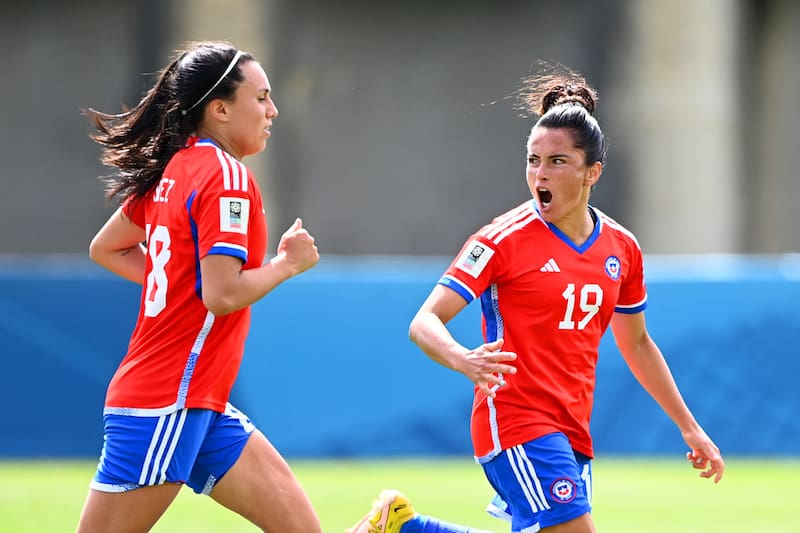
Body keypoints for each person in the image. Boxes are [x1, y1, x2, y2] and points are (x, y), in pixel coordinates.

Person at [348, 64, 725, 533]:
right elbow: (424, 321)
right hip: (514, 419)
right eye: (532, 160)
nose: (539, 174)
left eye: (557, 162)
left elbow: (638, 343)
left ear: (593, 172)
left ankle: (404, 527)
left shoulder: (621, 248)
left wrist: (689, 426)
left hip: (572, 428)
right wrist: (464, 358)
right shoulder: (502, 239)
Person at [77, 41, 322, 532]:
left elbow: (108, 248)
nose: (273, 111)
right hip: (168, 398)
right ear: (220, 108)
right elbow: (223, 294)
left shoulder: (177, 167)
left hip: (198, 401)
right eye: (262, 98)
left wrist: (176, 281)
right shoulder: (226, 176)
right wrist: (287, 265)